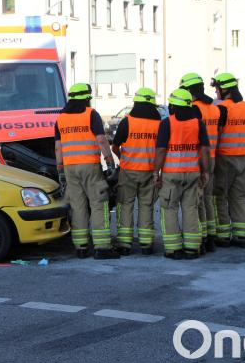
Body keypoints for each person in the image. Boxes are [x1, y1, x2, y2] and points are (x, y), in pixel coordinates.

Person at [55, 83, 119, 260]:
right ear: (86, 98)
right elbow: (101, 140)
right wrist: (109, 161)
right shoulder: (91, 114)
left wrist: (60, 168)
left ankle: (81, 247)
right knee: (99, 204)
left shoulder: (61, 118)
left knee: (78, 206)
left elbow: (58, 147)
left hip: (70, 168)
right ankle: (102, 247)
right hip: (90, 167)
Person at [152, 89, 211, 260]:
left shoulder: (167, 124)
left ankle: (173, 249)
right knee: (190, 209)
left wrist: (156, 172)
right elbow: (205, 150)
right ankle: (192, 248)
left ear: (173, 105)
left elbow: (161, 150)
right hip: (193, 173)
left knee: (169, 209)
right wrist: (205, 171)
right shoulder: (198, 123)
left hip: (171, 175)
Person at [110, 87, 161, 256]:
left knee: (125, 206)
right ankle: (146, 244)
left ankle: (125, 244)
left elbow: (115, 146)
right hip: (150, 171)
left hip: (128, 171)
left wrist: (123, 157)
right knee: (146, 206)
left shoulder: (127, 121)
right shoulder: (159, 123)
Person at [179, 73, 222, 253]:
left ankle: (201, 237)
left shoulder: (195, 109)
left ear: (189, 91)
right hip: (211, 157)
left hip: (198, 158)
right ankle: (210, 236)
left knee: (195, 201)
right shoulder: (213, 108)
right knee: (207, 199)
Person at [210, 73, 245, 248]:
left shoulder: (222, 109)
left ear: (225, 89)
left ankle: (223, 235)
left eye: (217, 88)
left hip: (224, 158)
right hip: (242, 157)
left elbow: (217, 134)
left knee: (219, 196)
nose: (216, 92)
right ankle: (242, 235)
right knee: (238, 197)